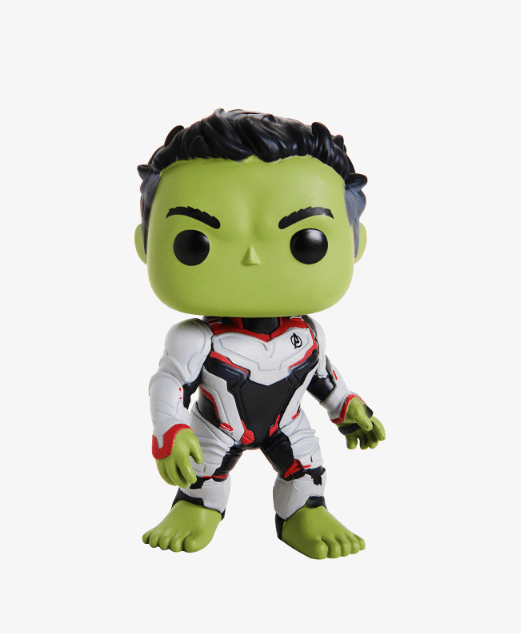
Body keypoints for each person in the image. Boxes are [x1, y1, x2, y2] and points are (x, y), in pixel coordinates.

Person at [135, 109, 385, 559]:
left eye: (306, 241)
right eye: (195, 242)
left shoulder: (307, 333)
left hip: (287, 422)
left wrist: (347, 407)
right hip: (217, 426)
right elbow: (168, 383)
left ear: (355, 244)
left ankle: (303, 512)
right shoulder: (196, 339)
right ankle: (197, 506)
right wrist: (169, 430)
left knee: (308, 466)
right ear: (145, 245)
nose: (251, 258)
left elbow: (322, 376)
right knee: (201, 471)